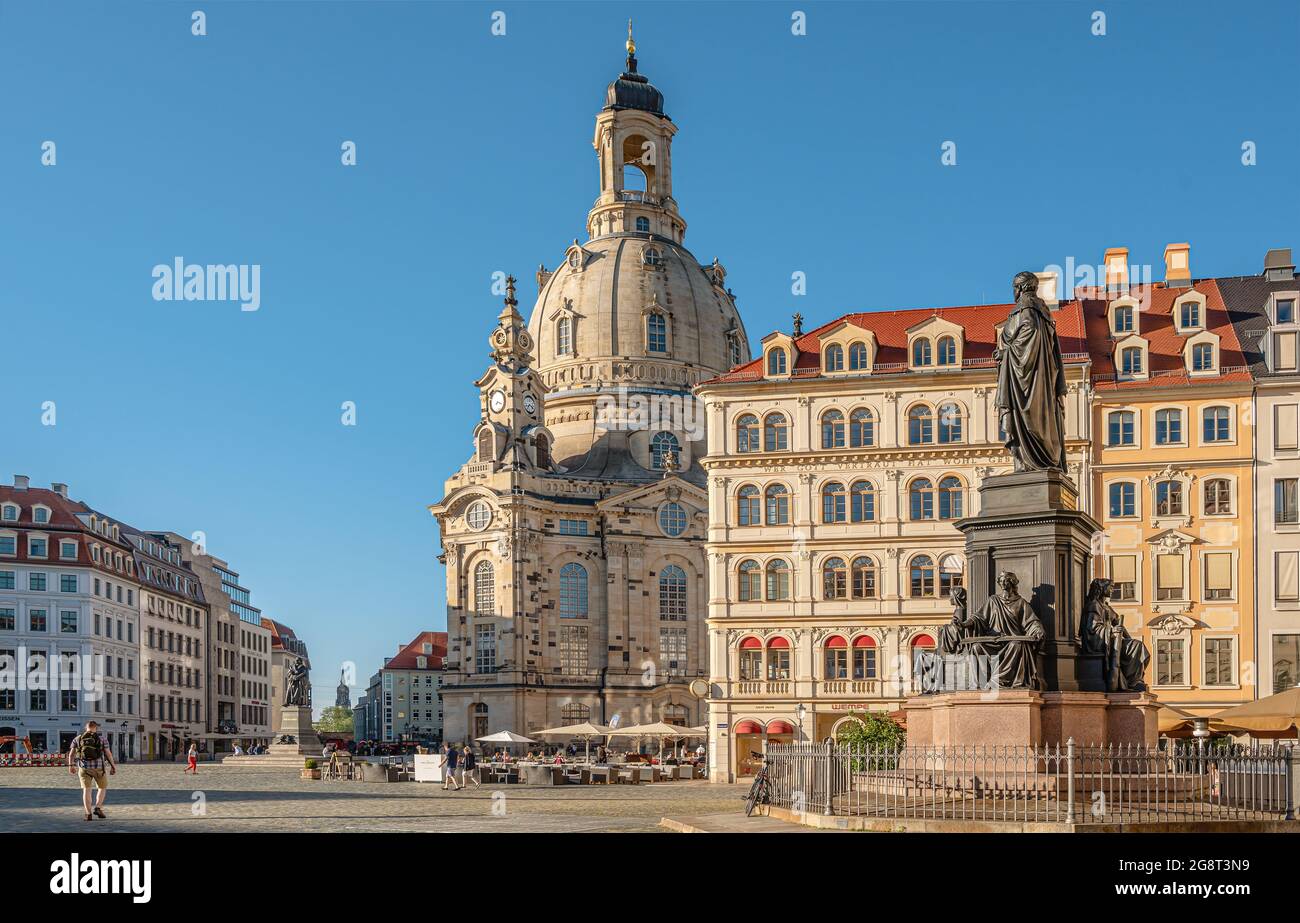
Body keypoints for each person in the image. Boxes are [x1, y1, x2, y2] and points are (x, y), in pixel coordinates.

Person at [68, 720, 116, 821]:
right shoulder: (102, 739)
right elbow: (108, 754)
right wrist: (113, 766)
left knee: (86, 790)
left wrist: (71, 765)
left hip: (84, 768)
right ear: (96, 728)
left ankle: (88, 814)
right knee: (102, 788)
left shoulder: (78, 738)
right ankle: (98, 807)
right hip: (99, 768)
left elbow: (71, 754)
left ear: (86, 728)